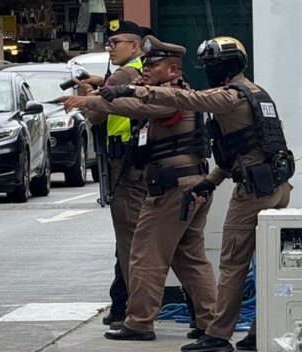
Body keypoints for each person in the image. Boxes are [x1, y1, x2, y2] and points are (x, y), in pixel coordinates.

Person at [99, 36, 294, 352]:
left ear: (223, 67)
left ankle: (217, 336)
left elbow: (185, 100)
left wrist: (129, 89)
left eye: (211, 65)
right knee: (270, 265)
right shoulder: (258, 93)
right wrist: (212, 181)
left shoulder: (229, 96)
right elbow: (245, 149)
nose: (207, 71)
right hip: (278, 187)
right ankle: (259, 332)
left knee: (232, 265)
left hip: (253, 191)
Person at [58, 36, 218, 341]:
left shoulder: (169, 96)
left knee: (144, 255)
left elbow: (131, 106)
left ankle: (140, 321)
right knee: (190, 257)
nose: (145, 68)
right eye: (144, 63)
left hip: (172, 188)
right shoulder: (176, 93)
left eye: (153, 64)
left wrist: (89, 99)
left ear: (172, 70)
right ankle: (209, 321)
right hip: (189, 183)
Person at [73, 20, 148, 324]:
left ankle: (132, 312)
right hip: (138, 163)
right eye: (109, 42)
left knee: (129, 242)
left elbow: (94, 115)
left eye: (117, 42)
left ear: (135, 46)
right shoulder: (141, 68)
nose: (111, 47)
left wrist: (87, 96)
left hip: (127, 165)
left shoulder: (123, 73)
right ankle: (123, 304)